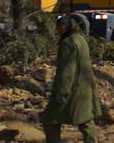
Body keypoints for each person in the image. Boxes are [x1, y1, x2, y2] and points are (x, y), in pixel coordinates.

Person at [41, 14, 101, 143]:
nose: (56, 30)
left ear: (64, 27)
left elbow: (67, 71)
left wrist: (62, 92)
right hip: (84, 87)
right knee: (86, 120)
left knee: (49, 118)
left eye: (58, 28)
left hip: (72, 89)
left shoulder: (67, 43)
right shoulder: (80, 39)